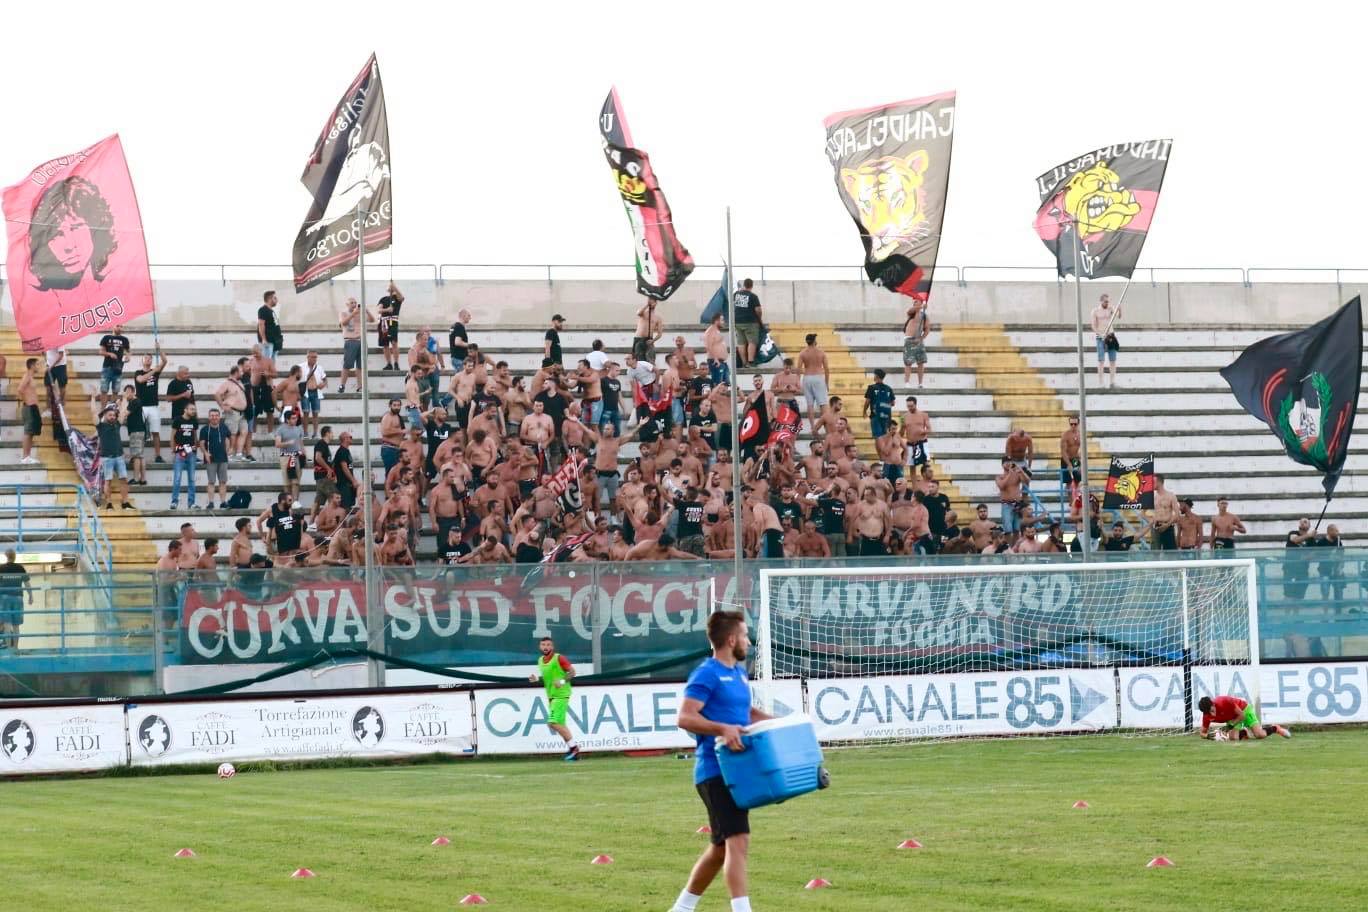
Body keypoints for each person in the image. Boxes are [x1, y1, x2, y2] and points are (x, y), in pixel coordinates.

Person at [672, 611, 774, 912]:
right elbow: (685, 716)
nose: (747, 641)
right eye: (744, 635)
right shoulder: (707, 673)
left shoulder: (739, 673)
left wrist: (785, 724)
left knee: (720, 848)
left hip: (736, 771)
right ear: (731, 640)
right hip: (716, 770)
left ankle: (681, 908)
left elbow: (748, 713)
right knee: (738, 841)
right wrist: (721, 729)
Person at [526, 636, 579, 761]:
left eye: (548, 645)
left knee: (552, 722)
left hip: (561, 695)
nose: (546, 647)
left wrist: (562, 681)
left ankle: (574, 748)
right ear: (540, 647)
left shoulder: (559, 658)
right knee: (560, 724)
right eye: (543, 645)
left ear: (552, 647)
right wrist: (537, 679)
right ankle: (573, 750)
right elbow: (548, 677)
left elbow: (572, 672)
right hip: (551, 696)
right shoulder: (540, 660)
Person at [1197, 695, 1290, 741]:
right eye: (1208, 713)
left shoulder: (1224, 701)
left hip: (1244, 710)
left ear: (1213, 704)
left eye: (1212, 710)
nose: (1212, 714)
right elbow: (1202, 733)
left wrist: (1230, 726)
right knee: (1233, 738)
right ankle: (1244, 732)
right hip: (1232, 719)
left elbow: (1242, 715)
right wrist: (1208, 736)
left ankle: (1275, 728)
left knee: (1260, 735)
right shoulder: (1207, 716)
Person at [133, 346, 168, 463]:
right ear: (142, 360)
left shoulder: (156, 372)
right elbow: (141, 380)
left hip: (153, 406)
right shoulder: (138, 372)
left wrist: (159, 350)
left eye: (150, 358)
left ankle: (158, 455)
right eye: (146, 358)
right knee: (139, 432)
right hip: (141, 407)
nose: (148, 360)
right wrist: (154, 370)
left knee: (155, 432)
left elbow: (165, 361)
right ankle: (137, 455)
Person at [95, 406, 132, 510]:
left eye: (113, 415)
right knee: (108, 481)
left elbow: (123, 411)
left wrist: (124, 397)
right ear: (105, 416)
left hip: (119, 457)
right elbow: (93, 412)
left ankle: (125, 503)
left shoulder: (117, 424)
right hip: (106, 458)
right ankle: (109, 503)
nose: (112, 417)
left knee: (124, 479)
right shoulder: (100, 426)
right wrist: (93, 397)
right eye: (110, 415)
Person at [338, 296, 376, 393]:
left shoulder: (360, 314)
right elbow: (343, 323)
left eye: (355, 302)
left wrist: (366, 310)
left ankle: (360, 387)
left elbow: (372, 320)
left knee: (361, 366)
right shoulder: (343, 313)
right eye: (352, 303)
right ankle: (342, 385)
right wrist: (353, 314)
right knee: (347, 365)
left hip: (361, 341)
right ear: (347, 304)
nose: (354, 304)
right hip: (350, 340)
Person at [198, 408, 233, 510]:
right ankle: (211, 503)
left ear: (219, 417)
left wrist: (230, 448)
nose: (214, 417)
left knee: (223, 481)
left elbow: (228, 438)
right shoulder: (204, 429)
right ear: (209, 417)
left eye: (216, 415)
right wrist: (205, 453)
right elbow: (201, 443)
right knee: (211, 481)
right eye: (212, 415)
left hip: (223, 458)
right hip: (210, 459)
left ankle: (223, 502)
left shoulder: (224, 427)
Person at [0, 549, 34, 650]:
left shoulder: (1, 568)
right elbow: (27, 584)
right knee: (16, 625)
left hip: (5, 598)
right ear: (14, 557)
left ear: (6, 556)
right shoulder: (20, 568)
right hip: (18, 598)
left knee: (6, 624)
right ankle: (15, 648)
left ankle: (8, 646)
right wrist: (31, 595)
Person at [169, 403, 199, 510]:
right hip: (180, 451)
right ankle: (174, 502)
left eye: (194, 409)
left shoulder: (194, 421)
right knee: (177, 478)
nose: (193, 411)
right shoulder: (177, 420)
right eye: (191, 409)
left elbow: (195, 436)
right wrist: (173, 449)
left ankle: (191, 503)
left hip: (191, 452)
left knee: (191, 479)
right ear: (185, 409)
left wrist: (195, 449)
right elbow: (172, 436)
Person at [797, 333, 830, 430]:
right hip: (818, 377)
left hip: (807, 377)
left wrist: (798, 382)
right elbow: (827, 369)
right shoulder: (821, 352)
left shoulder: (803, 353)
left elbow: (798, 369)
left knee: (810, 404)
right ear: (814, 341)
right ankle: (826, 426)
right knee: (823, 403)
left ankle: (812, 426)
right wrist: (827, 383)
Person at [97, 325, 131, 410]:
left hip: (118, 368)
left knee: (115, 391)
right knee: (104, 390)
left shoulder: (125, 339)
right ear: (113, 326)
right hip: (107, 367)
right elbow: (101, 351)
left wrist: (128, 357)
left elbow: (128, 352)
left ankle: (111, 410)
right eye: (118, 326)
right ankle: (103, 411)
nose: (119, 328)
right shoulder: (106, 337)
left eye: (121, 326)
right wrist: (109, 354)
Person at [1090, 292, 1121, 388]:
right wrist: (1100, 334)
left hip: (1111, 336)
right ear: (1101, 301)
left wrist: (1120, 309)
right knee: (1101, 360)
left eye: (1108, 301)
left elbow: (1119, 316)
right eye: (1105, 302)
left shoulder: (1110, 308)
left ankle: (1112, 382)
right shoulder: (1095, 311)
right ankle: (1101, 383)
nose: (1107, 303)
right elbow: (1093, 326)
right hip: (1101, 337)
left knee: (1113, 360)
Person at [275, 408, 305, 503]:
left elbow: (301, 443)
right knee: (287, 482)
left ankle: (295, 500)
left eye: (296, 418)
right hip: (286, 457)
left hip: (297, 456)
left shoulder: (298, 429)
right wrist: (288, 443)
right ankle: (288, 501)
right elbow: (277, 444)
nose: (295, 420)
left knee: (296, 481)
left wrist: (304, 454)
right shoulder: (280, 429)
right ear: (287, 419)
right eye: (293, 418)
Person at [295, 351, 327, 439]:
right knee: (305, 413)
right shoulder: (301, 366)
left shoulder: (319, 367)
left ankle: (315, 433)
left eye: (315, 357)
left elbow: (325, 380)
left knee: (315, 413)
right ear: (308, 357)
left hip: (316, 392)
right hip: (306, 392)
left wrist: (323, 384)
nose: (314, 359)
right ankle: (305, 433)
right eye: (312, 357)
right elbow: (295, 379)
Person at [731, 279, 762, 367]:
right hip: (750, 322)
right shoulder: (753, 296)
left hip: (737, 322)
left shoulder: (736, 294)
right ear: (751, 286)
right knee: (752, 342)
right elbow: (758, 310)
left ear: (744, 285)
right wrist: (759, 318)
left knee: (741, 343)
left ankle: (744, 362)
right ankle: (750, 362)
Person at [19, 358, 42, 465]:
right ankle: (24, 457)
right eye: (37, 364)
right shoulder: (27, 376)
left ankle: (28, 456)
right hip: (29, 407)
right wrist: (27, 402)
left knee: (31, 433)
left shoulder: (31, 377)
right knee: (28, 432)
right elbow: (20, 389)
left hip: (33, 407)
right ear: (32, 366)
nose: (39, 366)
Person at [902, 301, 930, 388]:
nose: (919, 304)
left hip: (919, 341)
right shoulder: (912, 312)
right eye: (917, 303)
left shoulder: (924, 316)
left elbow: (927, 329)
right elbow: (909, 311)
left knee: (921, 362)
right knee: (908, 362)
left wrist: (921, 338)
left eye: (920, 303)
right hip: (909, 340)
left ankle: (920, 383)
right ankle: (907, 382)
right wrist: (921, 307)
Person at [862, 368, 894, 439]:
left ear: (876, 376)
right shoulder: (889, 388)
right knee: (885, 436)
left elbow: (867, 401)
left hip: (875, 416)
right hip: (886, 417)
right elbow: (893, 403)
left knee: (878, 438)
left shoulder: (871, 387)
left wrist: (864, 412)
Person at [1150, 474, 1179, 550]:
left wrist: (1167, 525)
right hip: (1156, 527)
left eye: (1153, 482)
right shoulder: (1154, 497)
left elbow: (1177, 514)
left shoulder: (1171, 496)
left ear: (1159, 482)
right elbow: (1142, 512)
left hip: (1168, 526)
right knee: (1154, 553)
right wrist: (1151, 521)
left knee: (1170, 553)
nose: (1151, 484)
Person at [901, 396, 931, 468]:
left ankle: (926, 478)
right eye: (908, 406)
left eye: (911, 406)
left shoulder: (924, 415)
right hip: (910, 443)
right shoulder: (904, 417)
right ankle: (914, 480)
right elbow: (901, 434)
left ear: (915, 404)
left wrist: (923, 431)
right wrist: (902, 427)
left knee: (926, 464)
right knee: (912, 466)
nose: (909, 408)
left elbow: (929, 429)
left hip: (922, 442)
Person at [703, 312, 730, 385]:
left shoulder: (717, 331)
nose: (723, 322)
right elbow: (708, 346)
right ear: (716, 321)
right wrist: (715, 359)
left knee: (726, 384)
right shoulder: (710, 331)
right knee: (718, 385)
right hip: (716, 362)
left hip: (722, 362)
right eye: (722, 320)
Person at [257, 290, 283, 363]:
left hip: (274, 342)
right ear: (269, 299)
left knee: (271, 363)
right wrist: (264, 339)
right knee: (266, 363)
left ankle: (271, 374)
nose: (277, 300)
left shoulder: (271, 310)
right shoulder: (263, 310)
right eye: (275, 298)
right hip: (268, 342)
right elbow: (261, 324)